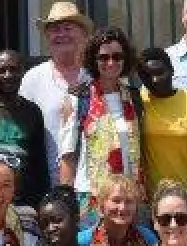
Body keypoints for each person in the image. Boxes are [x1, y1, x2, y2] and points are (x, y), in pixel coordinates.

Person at [60, 26, 143, 207]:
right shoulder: (78, 98)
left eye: (117, 57)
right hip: (91, 196)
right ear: (93, 60)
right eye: (104, 57)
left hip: (128, 197)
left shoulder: (134, 97)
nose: (111, 63)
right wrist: (66, 200)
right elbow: (68, 155)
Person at [19, 2, 93, 184]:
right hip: (45, 184)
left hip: (94, 182)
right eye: (55, 30)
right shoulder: (33, 78)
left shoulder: (97, 75)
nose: (61, 35)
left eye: (68, 29)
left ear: (83, 34)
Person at [0, 49, 50, 207]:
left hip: (25, 200)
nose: (8, 75)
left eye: (13, 69)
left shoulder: (32, 111)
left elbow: (39, 163)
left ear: (23, 72)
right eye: (1, 71)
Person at [138, 46, 187, 193]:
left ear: (171, 70)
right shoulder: (139, 100)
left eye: (160, 72)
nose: (155, 80)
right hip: (152, 196)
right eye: (147, 76)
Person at [79, 173, 157, 246]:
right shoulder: (82, 241)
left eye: (129, 201)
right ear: (101, 205)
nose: (122, 208)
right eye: (116, 201)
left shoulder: (147, 238)